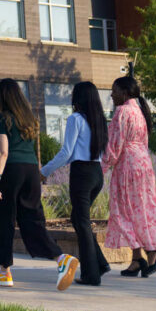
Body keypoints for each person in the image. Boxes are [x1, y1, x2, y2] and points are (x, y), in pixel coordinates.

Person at [0, 78, 78, 291]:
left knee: (3, 220)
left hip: (12, 170)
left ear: (3, 97)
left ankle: (4, 273)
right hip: (31, 171)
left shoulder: (2, 118)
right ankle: (61, 257)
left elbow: (3, 152)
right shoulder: (29, 119)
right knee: (32, 220)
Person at [41, 81, 111, 285]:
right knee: (78, 219)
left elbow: (66, 153)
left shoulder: (75, 119)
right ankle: (100, 263)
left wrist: (44, 171)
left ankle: (91, 275)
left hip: (82, 174)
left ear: (77, 98)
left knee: (81, 221)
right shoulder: (99, 121)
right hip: (96, 173)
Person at [102, 76, 156, 277]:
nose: (111, 94)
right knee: (144, 209)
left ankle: (146, 252)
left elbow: (115, 145)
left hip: (128, 166)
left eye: (114, 90)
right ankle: (141, 257)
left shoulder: (122, 112)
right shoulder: (140, 112)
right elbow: (143, 142)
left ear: (124, 93)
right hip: (143, 164)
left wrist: (102, 167)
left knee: (123, 211)